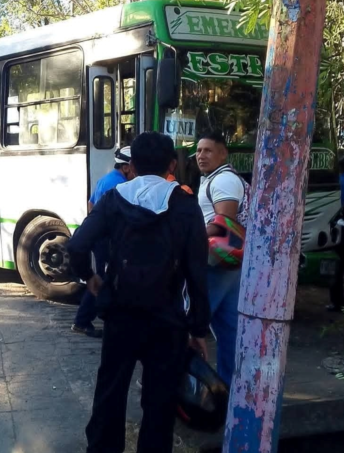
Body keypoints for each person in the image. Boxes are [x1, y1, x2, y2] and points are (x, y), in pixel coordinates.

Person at [66, 132, 211, 453]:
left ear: (132, 164)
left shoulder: (114, 199)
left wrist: (89, 277)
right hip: (167, 320)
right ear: (172, 164)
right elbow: (197, 273)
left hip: (120, 314)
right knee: (159, 403)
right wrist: (199, 328)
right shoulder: (185, 206)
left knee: (110, 393)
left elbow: (76, 245)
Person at [195, 131, 247, 387]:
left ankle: (186, 386)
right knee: (229, 329)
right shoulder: (215, 178)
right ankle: (230, 386)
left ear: (223, 153)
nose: (201, 155)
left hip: (217, 261)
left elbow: (224, 222)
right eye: (199, 150)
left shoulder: (224, 180)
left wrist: (189, 238)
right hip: (227, 262)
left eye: (208, 150)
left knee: (191, 323)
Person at [72, 146, 136, 338]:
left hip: (99, 237)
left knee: (103, 277)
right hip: (106, 241)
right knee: (104, 279)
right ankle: (83, 321)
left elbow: (91, 204)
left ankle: (85, 320)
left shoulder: (106, 179)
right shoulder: (118, 186)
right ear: (126, 168)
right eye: (135, 168)